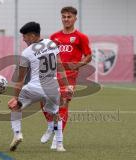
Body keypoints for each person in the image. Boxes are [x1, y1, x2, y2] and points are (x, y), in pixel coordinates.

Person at [8, 21, 73, 152]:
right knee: (56, 114)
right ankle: (60, 145)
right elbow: (60, 67)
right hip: (52, 89)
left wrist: (15, 97)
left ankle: (17, 134)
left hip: (34, 88)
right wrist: (68, 86)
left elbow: (20, 80)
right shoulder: (52, 44)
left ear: (32, 36)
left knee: (15, 107)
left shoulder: (26, 52)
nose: (24, 39)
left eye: (25, 36)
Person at [40, 6, 92, 149]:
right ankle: (51, 127)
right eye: (64, 16)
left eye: (69, 17)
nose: (66, 19)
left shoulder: (81, 37)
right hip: (52, 75)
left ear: (75, 18)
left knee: (63, 105)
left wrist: (78, 65)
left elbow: (89, 56)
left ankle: (57, 139)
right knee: (43, 101)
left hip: (69, 77)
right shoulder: (54, 37)